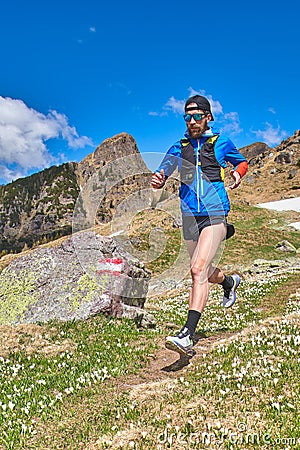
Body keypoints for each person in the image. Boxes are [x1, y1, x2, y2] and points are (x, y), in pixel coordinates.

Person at [151, 94, 248, 356]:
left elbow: (241, 162)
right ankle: (228, 282)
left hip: (215, 212)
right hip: (188, 215)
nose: (192, 121)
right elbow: (163, 172)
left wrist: (238, 174)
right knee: (202, 271)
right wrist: (159, 180)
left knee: (197, 270)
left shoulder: (221, 142)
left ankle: (187, 334)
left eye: (197, 116)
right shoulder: (177, 147)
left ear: (208, 117)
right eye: (187, 117)